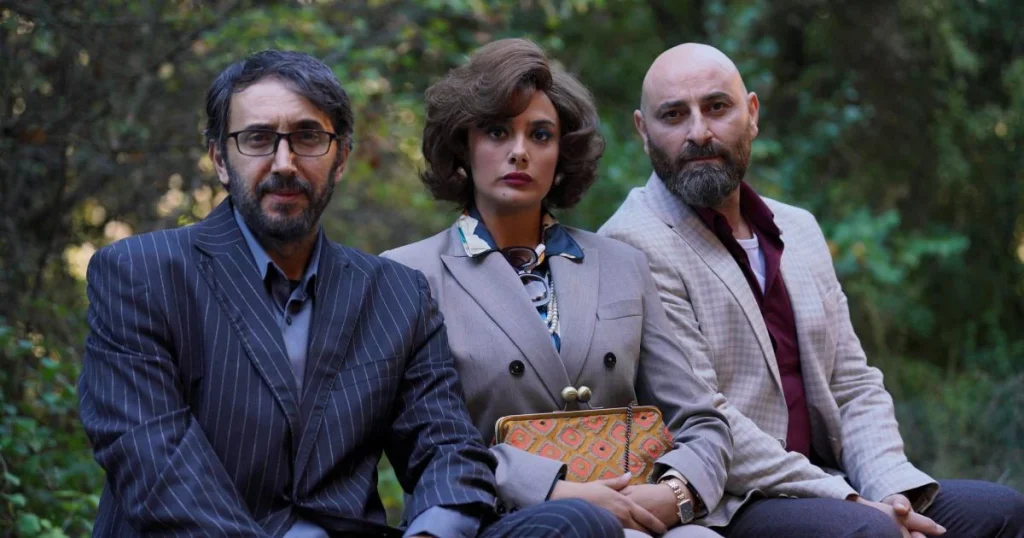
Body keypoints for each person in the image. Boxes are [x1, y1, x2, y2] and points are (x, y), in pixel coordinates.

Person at [78, 49, 624, 538]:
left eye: (308, 138)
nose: (285, 163)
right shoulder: (141, 274)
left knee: (576, 524)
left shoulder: (394, 293)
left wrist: (431, 534)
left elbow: (447, 451)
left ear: (340, 158)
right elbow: (157, 467)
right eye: (258, 139)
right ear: (220, 158)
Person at [599, 42, 1024, 537]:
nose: (699, 132)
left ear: (752, 114)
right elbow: (706, 415)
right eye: (673, 115)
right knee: (869, 533)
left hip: (834, 480)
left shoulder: (797, 228)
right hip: (733, 497)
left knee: (1001, 511)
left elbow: (853, 384)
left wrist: (890, 490)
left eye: (717, 107)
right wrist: (853, 502)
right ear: (643, 131)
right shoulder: (634, 242)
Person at [382, 39, 731, 538]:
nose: (519, 151)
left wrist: (674, 493)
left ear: (562, 154)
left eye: (540, 135)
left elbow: (699, 419)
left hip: (633, 506)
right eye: (497, 131)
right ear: (463, 146)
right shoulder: (406, 275)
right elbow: (420, 445)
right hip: (491, 517)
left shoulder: (623, 264)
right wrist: (556, 491)